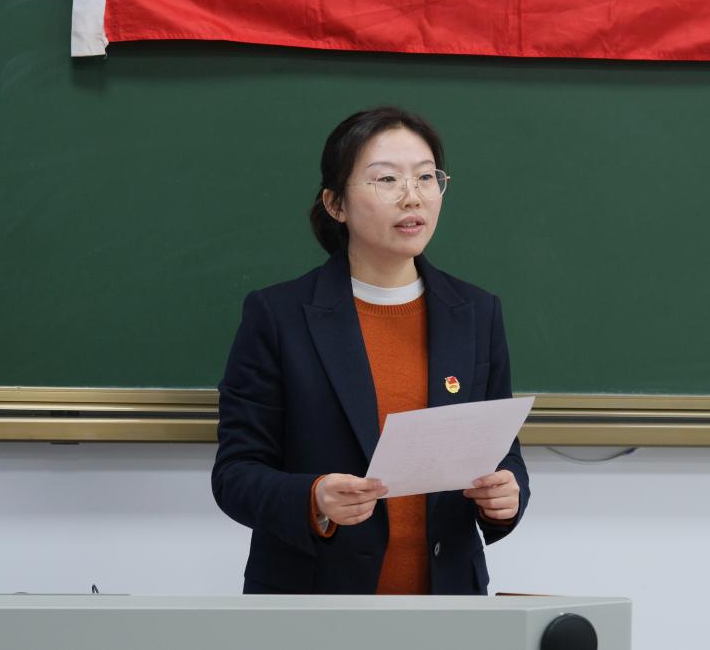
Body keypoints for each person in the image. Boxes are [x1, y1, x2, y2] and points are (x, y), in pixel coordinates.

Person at [212, 106, 529, 595]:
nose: (412, 196)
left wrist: (506, 495)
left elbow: (502, 451)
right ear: (335, 204)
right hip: (314, 600)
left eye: (426, 177)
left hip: (447, 604)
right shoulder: (278, 315)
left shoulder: (475, 313)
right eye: (387, 180)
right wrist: (314, 497)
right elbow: (235, 474)